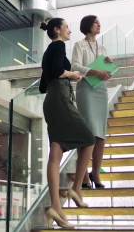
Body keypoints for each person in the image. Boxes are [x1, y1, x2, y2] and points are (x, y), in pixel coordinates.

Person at [39, 18, 96, 227]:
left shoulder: (49, 51)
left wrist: (67, 77)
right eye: (66, 27)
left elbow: (43, 86)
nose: (69, 30)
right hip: (61, 99)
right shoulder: (59, 45)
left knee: (55, 152)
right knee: (89, 139)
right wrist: (71, 74)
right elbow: (55, 71)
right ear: (57, 30)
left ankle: (56, 205)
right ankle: (77, 188)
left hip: (52, 99)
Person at [71, 15, 112, 189]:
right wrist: (96, 72)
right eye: (96, 22)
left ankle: (96, 173)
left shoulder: (102, 47)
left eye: (99, 22)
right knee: (87, 133)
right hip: (85, 89)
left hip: (101, 90)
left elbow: (105, 73)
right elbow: (75, 67)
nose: (99, 24)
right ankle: (84, 175)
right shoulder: (79, 45)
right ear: (88, 25)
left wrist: (108, 67)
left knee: (100, 133)